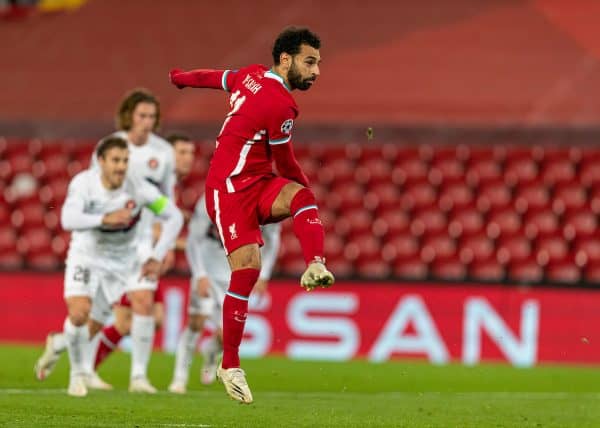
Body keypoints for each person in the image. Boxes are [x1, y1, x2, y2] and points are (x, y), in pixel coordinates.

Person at [169, 26, 334, 404]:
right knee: (248, 268)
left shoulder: (252, 75)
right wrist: (305, 185)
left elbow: (213, 78)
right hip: (227, 191)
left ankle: (315, 264)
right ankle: (230, 363)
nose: (317, 71)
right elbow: (285, 161)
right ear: (287, 59)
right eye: (310, 62)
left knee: (301, 197)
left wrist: (179, 79)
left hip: (256, 182)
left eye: (319, 63)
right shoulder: (282, 105)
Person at [35, 89, 178, 393]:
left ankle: (138, 376)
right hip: (92, 250)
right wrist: (104, 219)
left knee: (139, 304)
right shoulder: (89, 179)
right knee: (82, 314)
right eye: (142, 115)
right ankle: (78, 372)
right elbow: (70, 218)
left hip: (135, 244)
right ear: (101, 160)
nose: (121, 166)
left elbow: (171, 207)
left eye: (152, 116)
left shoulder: (159, 157)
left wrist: (159, 249)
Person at [168, 193, 281, 394]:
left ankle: (211, 353)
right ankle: (179, 378)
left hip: (237, 274)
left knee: (225, 334)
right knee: (197, 322)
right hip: (208, 272)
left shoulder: (265, 200)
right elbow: (194, 239)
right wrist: (200, 274)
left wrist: (265, 274)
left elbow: (273, 240)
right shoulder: (210, 199)